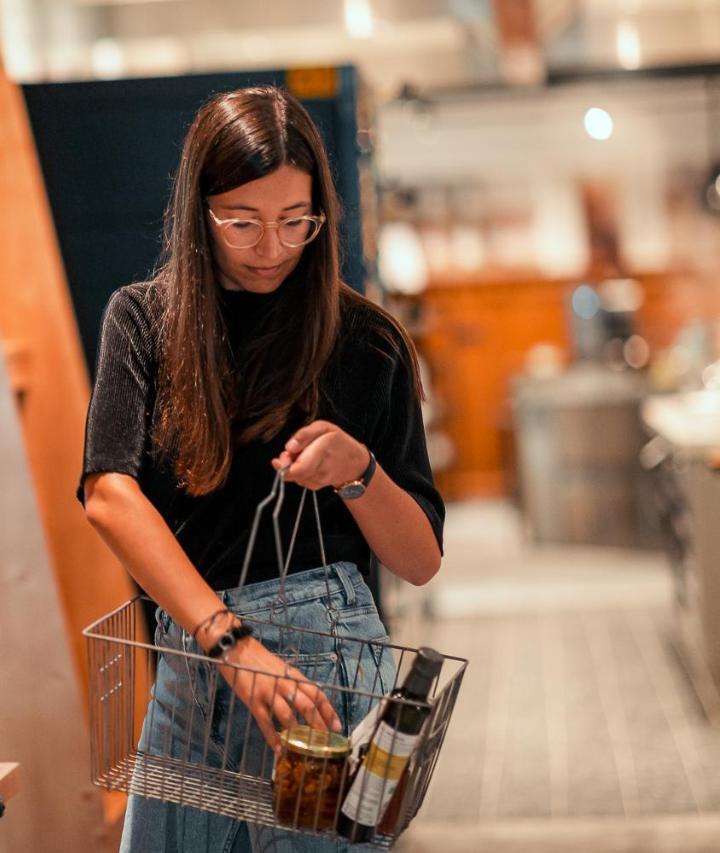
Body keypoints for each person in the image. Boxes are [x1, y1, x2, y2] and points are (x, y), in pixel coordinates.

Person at [78, 85, 445, 852]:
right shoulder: (144, 320)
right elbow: (108, 493)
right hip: (198, 655)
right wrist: (231, 643)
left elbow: (418, 559)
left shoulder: (367, 340)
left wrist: (360, 472)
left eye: (294, 221)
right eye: (242, 222)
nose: (272, 247)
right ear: (197, 212)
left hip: (328, 665)